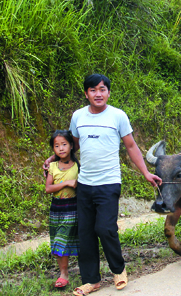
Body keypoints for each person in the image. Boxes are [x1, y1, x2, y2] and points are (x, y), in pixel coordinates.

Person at [43, 74, 162, 296]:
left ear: (108, 92)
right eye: (93, 90)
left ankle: (118, 270)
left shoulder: (118, 116)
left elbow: (131, 146)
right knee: (86, 232)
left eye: (102, 89)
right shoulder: (78, 116)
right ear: (86, 93)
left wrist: (145, 172)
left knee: (105, 228)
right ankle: (91, 280)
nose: (98, 94)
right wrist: (53, 159)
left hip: (109, 183)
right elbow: (73, 146)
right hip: (84, 185)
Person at [45, 130, 80, 289]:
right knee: (57, 241)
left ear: (72, 146)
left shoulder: (78, 166)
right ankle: (63, 272)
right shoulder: (52, 166)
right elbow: (48, 188)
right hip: (56, 207)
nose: (61, 148)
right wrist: (66, 183)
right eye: (56, 146)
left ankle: (64, 274)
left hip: (72, 207)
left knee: (63, 239)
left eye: (64, 144)